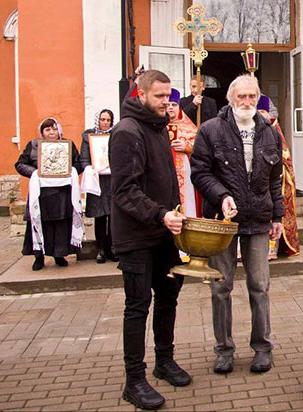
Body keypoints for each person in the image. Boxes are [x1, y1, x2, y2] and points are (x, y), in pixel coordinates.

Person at [190, 76, 284, 375]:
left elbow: (275, 179)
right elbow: (200, 172)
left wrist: (278, 217)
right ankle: (224, 350)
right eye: (241, 96)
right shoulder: (210, 130)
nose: (247, 102)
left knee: (260, 286)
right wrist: (223, 196)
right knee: (221, 287)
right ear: (231, 98)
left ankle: (263, 348)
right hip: (223, 221)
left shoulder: (270, 132)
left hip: (258, 219)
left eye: (252, 97)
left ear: (258, 98)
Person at [110, 70, 190, 410]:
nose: (166, 103)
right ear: (140, 95)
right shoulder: (126, 132)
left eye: (169, 96)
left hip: (164, 233)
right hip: (136, 236)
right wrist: (160, 214)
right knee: (137, 306)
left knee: (168, 297)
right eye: (159, 96)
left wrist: (174, 216)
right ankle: (134, 379)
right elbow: (124, 191)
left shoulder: (158, 128)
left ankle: (164, 361)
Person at [15, 118, 83, 270]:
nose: (51, 132)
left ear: (59, 131)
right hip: (41, 194)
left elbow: (78, 164)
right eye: (47, 130)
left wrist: (70, 171)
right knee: (40, 223)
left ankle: (59, 254)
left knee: (60, 224)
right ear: (42, 132)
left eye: (54, 129)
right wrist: (35, 173)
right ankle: (39, 257)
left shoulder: (68, 145)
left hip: (61, 194)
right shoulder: (33, 146)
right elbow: (20, 164)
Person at [256, 94, 300, 259]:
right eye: (257, 111)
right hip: (255, 181)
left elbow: (284, 156)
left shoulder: (274, 129)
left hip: (273, 179)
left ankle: (272, 249)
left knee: (271, 212)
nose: (261, 114)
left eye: (263, 111)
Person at [80, 109, 116, 263]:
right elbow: (84, 158)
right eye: (102, 119)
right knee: (100, 217)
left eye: (108, 120)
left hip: (112, 181)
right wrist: (90, 167)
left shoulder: (116, 135)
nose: (105, 123)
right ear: (98, 120)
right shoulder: (89, 137)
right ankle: (100, 249)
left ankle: (112, 248)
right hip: (97, 182)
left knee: (114, 216)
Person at [167, 89, 199, 217]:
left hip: (183, 171)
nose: (170, 108)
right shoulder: (156, 124)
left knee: (186, 203)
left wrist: (186, 147)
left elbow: (198, 145)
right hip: (162, 169)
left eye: (173, 105)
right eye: (167, 105)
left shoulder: (187, 124)